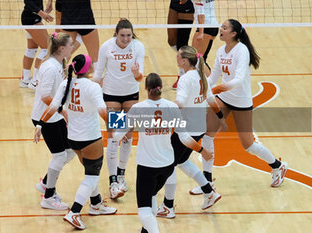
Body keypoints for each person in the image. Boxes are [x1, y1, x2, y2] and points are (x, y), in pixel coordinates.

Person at [190, 19, 289, 194]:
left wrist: (219, 88)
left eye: (225, 28)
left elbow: (239, 79)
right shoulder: (221, 50)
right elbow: (213, 77)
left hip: (241, 101)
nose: (221, 29)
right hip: (225, 98)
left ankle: (278, 166)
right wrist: (202, 88)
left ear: (234, 33)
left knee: (248, 145)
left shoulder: (241, 51)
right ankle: (207, 182)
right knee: (207, 136)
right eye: (222, 26)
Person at [112, 73, 217, 233]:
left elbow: (117, 135)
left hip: (147, 167)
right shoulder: (172, 107)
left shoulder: (138, 109)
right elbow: (185, 137)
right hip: (166, 166)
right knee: (152, 195)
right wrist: (202, 151)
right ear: (160, 88)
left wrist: (115, 117)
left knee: (144, 210)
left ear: (146, 88)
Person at [34, 54, 117, 230]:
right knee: (92, 175)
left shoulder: (66, 84)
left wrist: (40, 124)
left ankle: (96, 204)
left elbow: (53, 108)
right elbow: (103, 112)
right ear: (87, 69)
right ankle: (74, 212)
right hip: (90, 138)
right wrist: (117, 127)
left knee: (89, 172)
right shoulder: (92, 87)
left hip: (73, 139)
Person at [156, 46, 224, 218]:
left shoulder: (185, 79)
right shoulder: (202, 76)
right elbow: (211, 99)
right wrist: (220, 116)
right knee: (182, 161)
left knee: (169, 164)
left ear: (185, 61)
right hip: (199, 127)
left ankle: (168, 206)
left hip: (185, 130)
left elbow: (179, 103)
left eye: (178, 56)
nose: (176, 58)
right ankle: (209, 192)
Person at [92, 18, 145, 199]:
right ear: (116, 34)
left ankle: (121, 174)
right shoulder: (107, 47)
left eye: (128, 35)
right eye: (122, 35)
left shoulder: (138, 46)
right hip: (112, 96)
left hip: (131, 95)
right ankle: (112, 180)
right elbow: (98, 74)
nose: (125, 39)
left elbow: (140, 78)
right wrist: (90, 92)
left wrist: (137, 75)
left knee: (128, 135)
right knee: (114, 135)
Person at [31, 32, 75, 210]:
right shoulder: (50, 67)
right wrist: (62, 110)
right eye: (71, 45)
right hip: (46, 117)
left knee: (70, 150)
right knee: (59, 155)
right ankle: (48, 197)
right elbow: (45, 96)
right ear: (62, 48)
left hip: (55, 116)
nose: (73, 47)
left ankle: (46, 183)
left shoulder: (59, 63)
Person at [20, 0, 53, 89]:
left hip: (30, 18)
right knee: (47, 48)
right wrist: (42, 13)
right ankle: (35, 82)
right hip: (32, 20)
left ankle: (25, 80)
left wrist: (50, 2)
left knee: (31, 49)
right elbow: (28, 2)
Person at [59, 0, 99, 65]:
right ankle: (96, 74)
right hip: (85, 18)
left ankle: (60, 74)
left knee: (63, 56)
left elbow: (59, 5)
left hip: (68, 16)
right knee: (95, 58)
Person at [167, 0, 195, 89]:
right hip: (175, 2)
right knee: (171, 40)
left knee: (182, 41)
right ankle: (190, 57)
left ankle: (182, 75)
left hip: (188, 3)